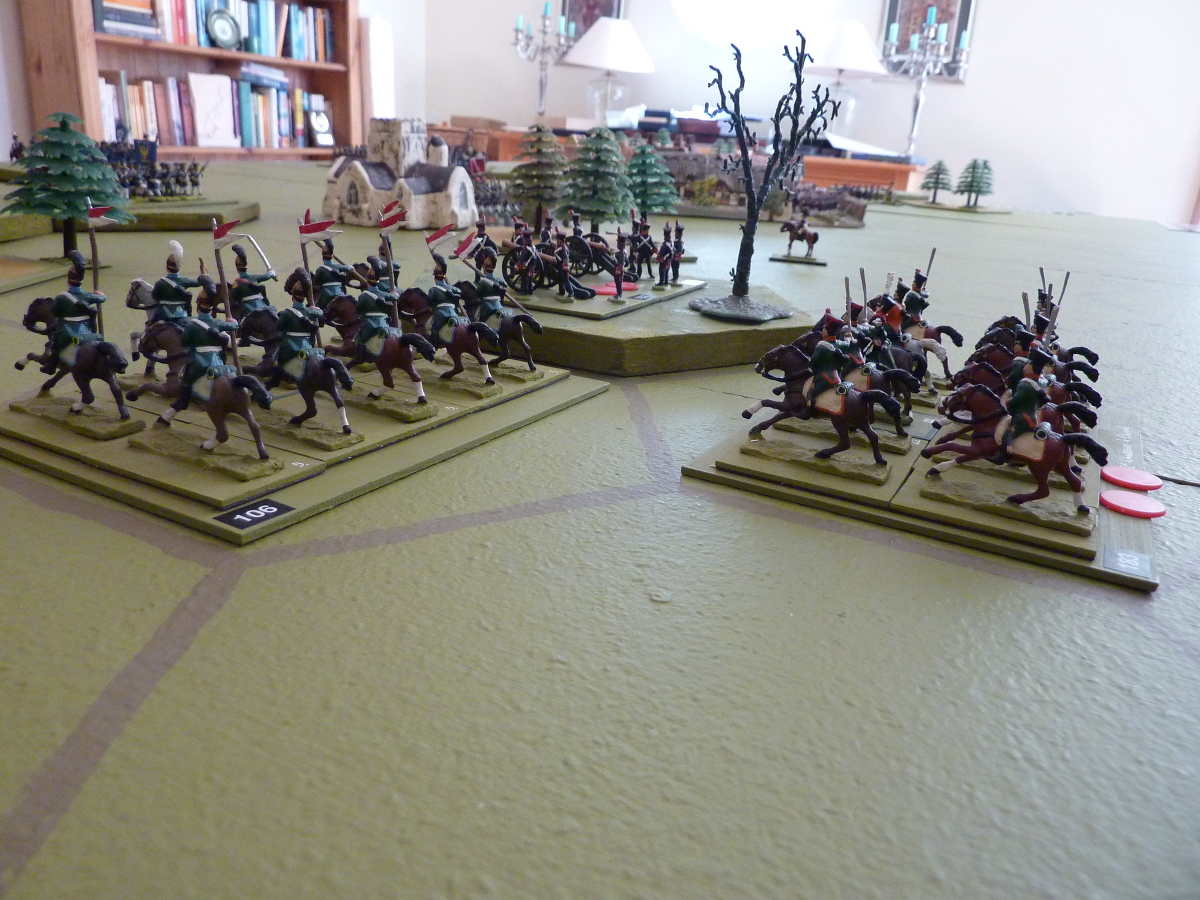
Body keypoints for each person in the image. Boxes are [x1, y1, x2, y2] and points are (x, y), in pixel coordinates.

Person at [44, 251, 105, 373]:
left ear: (68, 281)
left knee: (55, 344)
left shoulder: (61, 297)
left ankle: (51, 366)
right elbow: (102, 298)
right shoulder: (87, 295)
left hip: (68, 330)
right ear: (82, 281)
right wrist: (101, 294)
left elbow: (54, 312)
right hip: (87, 329)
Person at [992, 348, 1053, 463]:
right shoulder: (1040, 382)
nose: (1025, 367)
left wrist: (1007, 403)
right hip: (1031, 415)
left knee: (1007, 434)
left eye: (1028, 365)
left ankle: (1003, 457)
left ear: (1032, 368)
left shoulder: (1025, 384)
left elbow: (1016, 400)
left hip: (1022, 418)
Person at [275, 269, 327, 382]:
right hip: (306, 343)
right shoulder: (310, 311)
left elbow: (279, 327)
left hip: (291, 345)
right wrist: (315, 308)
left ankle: (283, 377)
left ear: (293, 297)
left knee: (279, 357)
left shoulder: (286, 313)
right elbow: (320, 313)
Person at [798, 312, 851, 419]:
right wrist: (848, 337)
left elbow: (814, 361)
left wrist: (811, 368)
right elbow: (848, 343)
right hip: (838, 375)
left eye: (824, 329)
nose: (822, 331)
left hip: (825, 377)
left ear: (826, 331)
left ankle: (808, 410)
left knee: (811, 392)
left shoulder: (820, 346)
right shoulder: (841, 344)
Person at [428, 253, 470, 345]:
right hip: (453, 312)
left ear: (435, 278)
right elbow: (458, 291)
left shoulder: (433, 289)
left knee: (434, 329)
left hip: (441, 314)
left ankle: (434, 346)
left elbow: (429, 301)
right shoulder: (452, 288)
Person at [228, 243, 276, 315]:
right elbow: (267, 275)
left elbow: (235, 297)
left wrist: (233, 289)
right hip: (262, 304)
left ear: (237, 269)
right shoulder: (254, 277)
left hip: (248, 307)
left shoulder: (236, 283)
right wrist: (272, 272)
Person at [654, 223, 673, 288]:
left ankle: (661, 282)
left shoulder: (665, 245)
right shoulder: (671, 243)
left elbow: (661, 253)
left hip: (664, 260)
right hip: (668, 260)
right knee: (666, 271)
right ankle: (666, 281)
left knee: (662, 271)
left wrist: (657, 259)